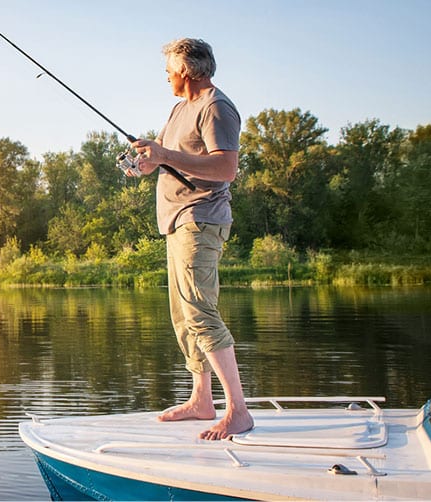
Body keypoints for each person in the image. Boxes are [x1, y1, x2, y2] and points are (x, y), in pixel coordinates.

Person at [129, 38, 254, 441]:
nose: (165, 75)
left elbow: (226, 166)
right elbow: (167, 155)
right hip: (177, 222)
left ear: (185, 69)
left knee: (199, 311)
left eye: (168, 68)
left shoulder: (216, 106)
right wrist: (147, 162)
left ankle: (238, 410)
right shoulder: (179, 108)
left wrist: (164, 155)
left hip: (200, 218)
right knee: (183, 317)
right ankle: (203, 399)